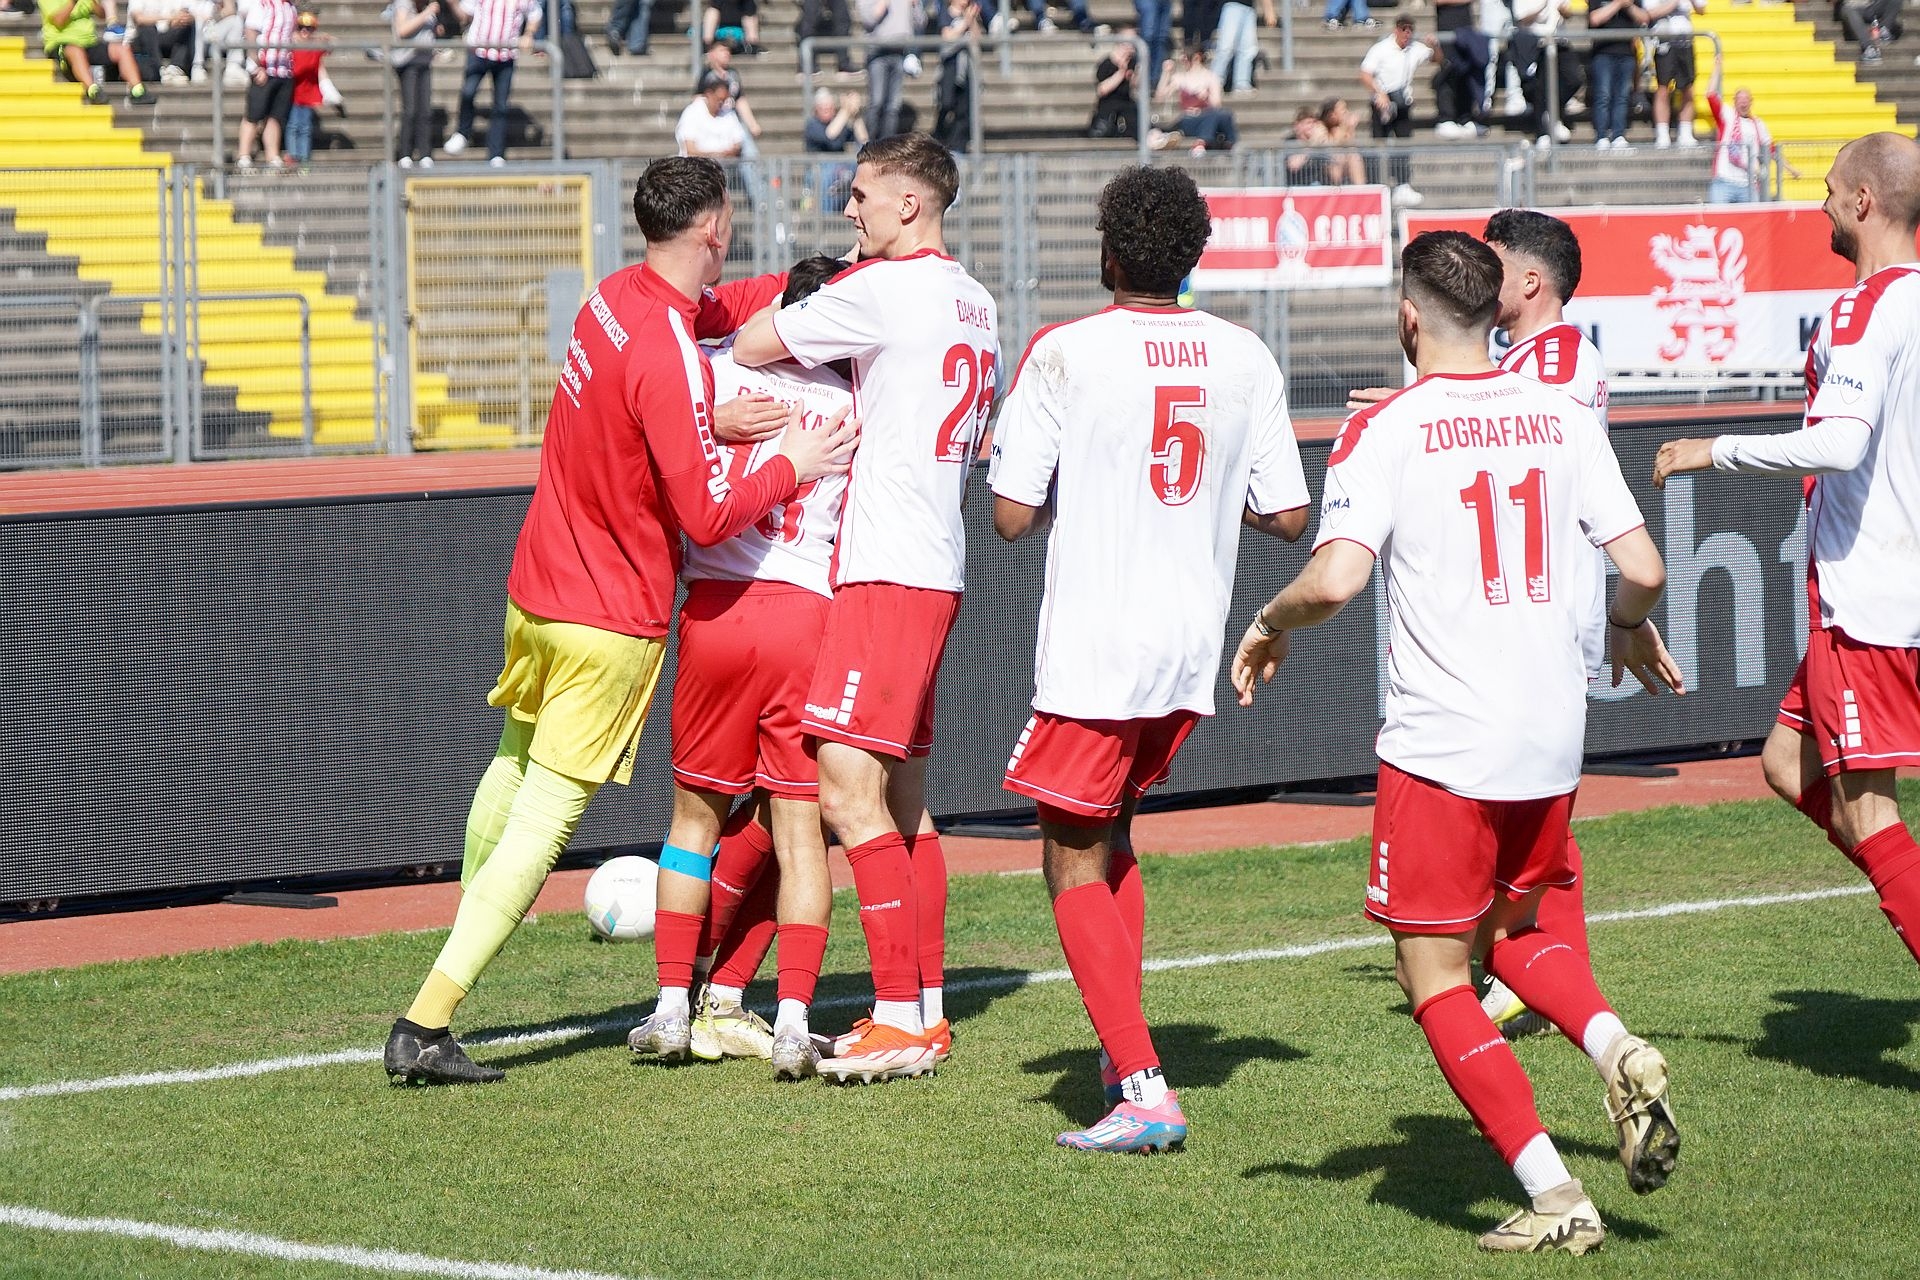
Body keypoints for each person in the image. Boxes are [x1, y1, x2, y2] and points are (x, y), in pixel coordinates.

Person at [1233, 230, 1684, 1254]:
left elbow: (1336, 579)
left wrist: (1266, 621)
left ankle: (1554, 1193)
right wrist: (1625, 626)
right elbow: (1646, 569)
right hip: (1552, 734)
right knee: (1515, 930)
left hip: (1444, 743)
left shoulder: (1385, 426)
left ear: (1408, 319)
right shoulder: (1562, 414)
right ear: (1493, 312)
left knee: (1433, 974)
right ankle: (1616, 1044)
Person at [381, 157, 857, 1086]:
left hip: (537, 585)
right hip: (609, 613)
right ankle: (427, 1019)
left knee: (510, 765)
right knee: (546, 820)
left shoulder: (611, 298)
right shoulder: (671, 352)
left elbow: (696, 343)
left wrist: (819, 286)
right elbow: (708, 517)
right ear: (713, 228)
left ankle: (461, 930)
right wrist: (790, 461)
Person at [991, 165, 1310, 1154]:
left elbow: (1010, 515)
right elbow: (1288, 514)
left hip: (1100, 643)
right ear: (1193, 254)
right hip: (1187, 644)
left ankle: (1142, 1084)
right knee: (1114, 835)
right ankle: (1119, 1052)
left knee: (1068, 853)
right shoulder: (1245, 354)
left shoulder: (1066, 350)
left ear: (1108, 251)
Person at [730, 133, 1001, 1084]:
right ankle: (923, 1008)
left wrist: (839, 278)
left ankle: (897, 1018)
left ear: (907, 205)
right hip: (935, 562)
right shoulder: (976, 297)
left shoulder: (882, 288)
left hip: (885, 567)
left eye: (860, 196)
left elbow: (752, 343)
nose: (850, 211)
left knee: (845, 793)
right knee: (904, 805)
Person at [1653, 132, 1920, 977]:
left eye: (1832, 189)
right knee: (1783, 762)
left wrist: (1716, 449)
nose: (1822, 203)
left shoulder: (1865, 307)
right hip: (1894, 585)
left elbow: (1838, 444)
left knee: (1871, 816)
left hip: (1868, 597)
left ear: (1864, 202)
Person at [627, 254, 854, 1080]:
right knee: (801, 831)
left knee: (693, 822)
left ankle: (670, 1008)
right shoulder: (854, 399)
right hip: (807, 615)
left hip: (718, 612)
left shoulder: (715, 372)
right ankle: (792, 1021)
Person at [1477, 209, 1614, 1040]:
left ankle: (1541, 973)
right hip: (1535, 601)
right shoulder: (1525, 361)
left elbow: (1534, 454)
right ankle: (1539, 971)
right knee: (1523, 803)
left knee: (1527, 808)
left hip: (1543, 605)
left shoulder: (1556, 357)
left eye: (1491, 263)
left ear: (1530, 281)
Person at [444, 0, 541, 167]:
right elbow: (465, 13)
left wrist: (529, 33)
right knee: (468, 92)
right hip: (478, 51)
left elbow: (535, 13)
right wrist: (453, 4)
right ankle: (462, 132)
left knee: (500, 106)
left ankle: (496, 152)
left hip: (506, 55)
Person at [1359, 16, 1434, 207]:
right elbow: (1365, 74)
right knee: (1379, 143)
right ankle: (1375, 185)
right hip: (1382, 101)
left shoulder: (1415, 49)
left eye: (1410, 30)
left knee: (1403, 144)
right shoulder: (1381, 49)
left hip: (1402, 102)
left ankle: (1402, 184)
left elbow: (1436, 58)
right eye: (1403, 29)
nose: (1406, 34)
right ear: (1396, 30)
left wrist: (1435, 45)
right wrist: (1379, 93)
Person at [1704, 51, 1795, 202]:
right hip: (1723, 180)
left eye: (1746, 99)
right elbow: (1710, 95)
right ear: (1734, 101)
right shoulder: (1727, 115)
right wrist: (1717, 68)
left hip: (1748, 184)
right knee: (1719, 216)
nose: (1743, 102)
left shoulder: (1758, 125)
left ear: (1751, 102)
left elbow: (1772, 150)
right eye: (1740, 99)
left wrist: (1790, 169)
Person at [43, 0, 150, 103]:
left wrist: (94, 3)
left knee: (122, 49)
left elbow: (102, 14)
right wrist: (74, 2)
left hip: (88, 42)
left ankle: (137, 90)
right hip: (62, 43)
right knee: (76, 51)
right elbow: (58, 21)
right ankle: (93, 90)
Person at [237, 0, 296, 166]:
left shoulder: (290, 7)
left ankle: (272, 155)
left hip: (284, 69)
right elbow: (250, 31)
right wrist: (256, 64)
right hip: (265, 67)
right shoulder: (263, 4)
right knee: (253, 114)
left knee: (275, 116)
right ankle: (243, 155)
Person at [1151, 44, 1237, 154]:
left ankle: (1214, 142)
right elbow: (1160, 97)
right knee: (1218, 115)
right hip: (1189, 119)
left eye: (1186, 58)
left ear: (1197, 57)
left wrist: (1206, 97)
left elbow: (1216, 105)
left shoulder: (1211, 77)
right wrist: (1166, 73)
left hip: (1207, 116)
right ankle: (1221, 143)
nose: (1184, 62)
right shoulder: (1181, 77)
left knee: (1224, 114)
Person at [1586, 0, 1646, 149]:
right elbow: (1594, 19)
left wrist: (1629, 6)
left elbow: (1644, 18)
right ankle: (1601, 135)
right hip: (1602, 53)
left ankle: (1618, 134)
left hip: (1627, 53)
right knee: (1603, 96)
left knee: (1622, 97)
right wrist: (1618, 4)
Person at [1645, 0, 1702, 147]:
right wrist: (1673, 3)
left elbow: (1701, 9)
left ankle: (1685, 131)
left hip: (1685, 41)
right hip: (1664, 42)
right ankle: (1662, 133)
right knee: (1663, 88)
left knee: (1688, 87)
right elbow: (1650, 13)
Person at [391, 0, 439, 168]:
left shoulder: (426, 5)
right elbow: (402, 30)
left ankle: (425, 153)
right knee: (410, 109)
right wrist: (427, 13)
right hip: (408, 62)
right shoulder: (403, 4)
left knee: (425, 109)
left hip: (424, 61)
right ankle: (405, 153)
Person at [861, 0, 916, 141]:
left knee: (893, 106)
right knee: (876, 102)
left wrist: (914, 6)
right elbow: (868, 20)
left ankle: (888, 144)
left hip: (899, 53)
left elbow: (920, 22)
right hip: (877, 54)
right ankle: (871, 142)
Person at [1430, 0, 1485, 138]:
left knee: (1466, 69)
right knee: (1448, 69)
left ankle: (1465, 117)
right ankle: (1446, 118)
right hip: (1448, 28)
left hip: (1465, 28)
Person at [933, 0, 979, 150]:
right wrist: (966, 22)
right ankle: (939, 137)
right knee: (946, 103)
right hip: (950, 65)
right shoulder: (946, 13)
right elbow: (948, 37)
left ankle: (958, 146)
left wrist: (971, 20)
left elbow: (977, 38)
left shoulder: (969, 15)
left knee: (963, 109)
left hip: (966, 67)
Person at [286, 11, 328, 170]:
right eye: (301, 27)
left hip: (308, 94)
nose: (304, 31)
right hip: (293, 94)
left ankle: (303, 158)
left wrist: (318, 38)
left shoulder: (315, 49)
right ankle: (292, 155)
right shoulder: (292, 47)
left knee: (305, 127)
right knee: (292, 126)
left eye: (309, 28)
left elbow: (331, 43)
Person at [677, 72, 749, 158]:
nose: (721, 103)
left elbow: (737, 144)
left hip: (725, 164)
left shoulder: (729, 114)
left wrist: (729, 153)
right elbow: (690, 149)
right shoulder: (692, 113)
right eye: (718, 99)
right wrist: (715, 155)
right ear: (709, 94)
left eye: (724, 100)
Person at [1211, 0, 1272, 94]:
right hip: (1232, 5)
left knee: (1248, 50)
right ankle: (1214, 82)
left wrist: (1268, 10)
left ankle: (1242, 83)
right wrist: (1269, 10)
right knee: (1226, 47)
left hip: (1249, 8)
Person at [1089, 32, 1140, 138]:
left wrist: (1136, 73)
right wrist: (1121, 72)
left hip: (1126, 106)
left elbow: (1135, 86)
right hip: (1109, 108)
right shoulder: (1106, 64)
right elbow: (1102, 90)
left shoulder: (1132, 63)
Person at [127, 0, 193, 83]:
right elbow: (139, 19)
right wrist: (170, 17)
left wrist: (181, 19)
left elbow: (176, 19)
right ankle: (159, 68)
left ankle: (175, 67)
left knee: (186, 25)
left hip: (163, 36)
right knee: (147, 27)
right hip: (140, 40)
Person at [1317, 96, 1368, 184]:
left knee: (1354, 157)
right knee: (1342, 158)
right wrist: (1346, 127)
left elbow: (1351, 146)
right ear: (1332, 115)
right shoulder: (1320, 127)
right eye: (1343, 111)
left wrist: (1350, 130)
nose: (1347, 113)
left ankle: (1360, 188)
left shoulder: (1341, 129)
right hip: (1324, 166)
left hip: (1342, 165)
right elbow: (1332, 146)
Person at [1285, 106, 1334, 185]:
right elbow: (1294, 165)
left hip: (1321, 184)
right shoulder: (1290, 141)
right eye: (1308, 123)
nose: (1312, 126)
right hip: (1299, 185)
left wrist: (1327, 138)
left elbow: (1334, 169)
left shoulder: (1320, 141)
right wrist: (1312, 142)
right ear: (1297, 125)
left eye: (1314, 122)